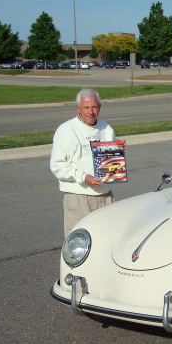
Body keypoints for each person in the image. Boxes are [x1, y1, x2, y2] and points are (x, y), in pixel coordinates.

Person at [50, 88, 123, 236]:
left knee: (107, 240)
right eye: (86, 107)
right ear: (78, 108)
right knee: (80, 245)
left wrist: (118, 151)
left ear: (100, 107)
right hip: (79, 198)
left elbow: (109, 163)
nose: (90, 112)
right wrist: (83, 177)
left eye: (94, 107)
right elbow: (57, 165)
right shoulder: (66, 130)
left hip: (105, 196)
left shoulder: (106, 128)